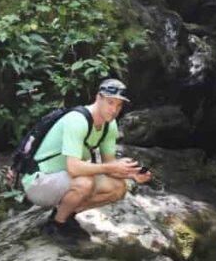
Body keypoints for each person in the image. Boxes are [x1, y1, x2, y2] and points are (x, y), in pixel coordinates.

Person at [21, 78, 151, 243]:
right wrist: (111, 168)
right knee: (84, 182)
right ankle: (55, 225)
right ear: (98, 98)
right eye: (110, 103)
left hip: (63, 180)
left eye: (119, 106)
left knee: (118, 188)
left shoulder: (109, 125)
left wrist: (131, 174)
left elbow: (109, 163)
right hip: (38, 182)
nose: (114, 110)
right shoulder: (77, 120)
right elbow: (74, 168)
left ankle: (65, 215)